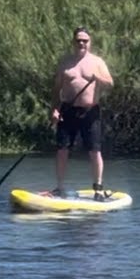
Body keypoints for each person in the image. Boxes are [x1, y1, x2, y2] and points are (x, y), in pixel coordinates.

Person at [51, 27, 114, 200]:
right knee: (62, 149)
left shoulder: (97, 62)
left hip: (90, 111)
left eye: (85, 40)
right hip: (67, 110)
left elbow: (110, 83)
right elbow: (56, 89)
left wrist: (98, 78)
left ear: (89, 42)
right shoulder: (65, 63)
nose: (81, 43)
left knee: (94, 150)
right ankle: (60, 187)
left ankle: (98, 187)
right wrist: (54, 110)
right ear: (73, 42)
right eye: (78, 40)